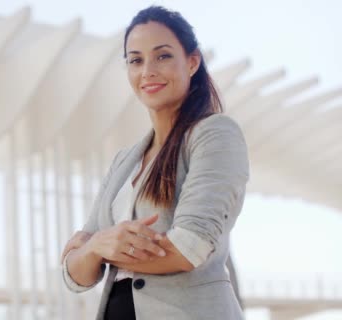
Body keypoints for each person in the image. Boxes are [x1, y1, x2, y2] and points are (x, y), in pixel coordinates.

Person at [60, 5, 249, 320]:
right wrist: (95, 248)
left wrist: (94, 248)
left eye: (162, 56)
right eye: (135, 60)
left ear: (192, 62)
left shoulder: (215, 135)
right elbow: (75, 276)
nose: (147, 70)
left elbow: (190, 247)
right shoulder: (125, 160)